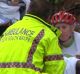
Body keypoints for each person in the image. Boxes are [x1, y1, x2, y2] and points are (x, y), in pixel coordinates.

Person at [0, 0, 65, 74]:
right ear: (48, 17)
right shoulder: (48, 34)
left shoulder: (11, 28)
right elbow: (56, 69)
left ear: (28, 11)